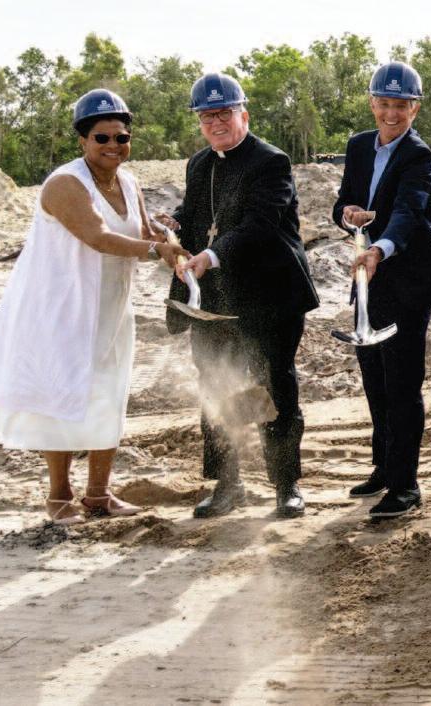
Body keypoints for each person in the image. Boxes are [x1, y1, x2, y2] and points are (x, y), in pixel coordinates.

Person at [0, 89, 189, 525]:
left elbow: (145, 231)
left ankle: (99, 494)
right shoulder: (64, 184)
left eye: (122, 137)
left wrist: (172, 247)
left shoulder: (128, 181)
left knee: (109, 394)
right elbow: (97, 237)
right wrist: (157, 251)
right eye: (102, 138)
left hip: (111, 306)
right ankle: (59, 496)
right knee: (60, 397)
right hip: (62, 308)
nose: (113, 145)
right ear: (82, 140)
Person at [158, 73, 319, 519]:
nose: (216, 123)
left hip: (270, 297)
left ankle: (286, 484)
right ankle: (228, 485)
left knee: (273, 386)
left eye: (224, 113)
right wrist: (174, 224)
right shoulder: (199, 163)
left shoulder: (271, 161)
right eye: (207, 116)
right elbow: (198, 213)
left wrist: (211, 255)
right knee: (215, 387)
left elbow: (259, 225)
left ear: (242, 114)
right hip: (215, 302)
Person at [331, 61, 431, 519]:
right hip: (369, 279)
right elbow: (344, 202)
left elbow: (408, 212)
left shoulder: (419, 156)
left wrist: (379, 248)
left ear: (415, 108)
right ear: (372, 103)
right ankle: (384, 467)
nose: (392, 113)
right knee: (375, 382)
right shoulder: (359, 146)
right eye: (384, 104)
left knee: (401, 384)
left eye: (401, 105)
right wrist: (348, 216)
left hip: (409, 279)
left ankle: (405, 486)